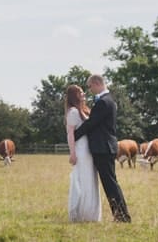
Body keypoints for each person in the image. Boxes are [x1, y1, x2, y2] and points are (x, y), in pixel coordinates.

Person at [73, 74, 132, 222]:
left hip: (103, 148)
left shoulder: (104, 102)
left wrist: (74, 135)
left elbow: (91, 123)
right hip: (105, 147)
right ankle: (121, 215)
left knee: (110, 184)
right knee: (111, 183)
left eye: (90, 86)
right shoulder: (108, 100)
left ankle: (122, 216)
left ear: (97, 83)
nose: (89, 89)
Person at [65, 84, 101, 222]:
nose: (84, 94)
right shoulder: (73, 112)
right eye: (80, 92)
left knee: (91, 178)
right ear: (75, 95)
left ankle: (91, 213)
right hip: (81, 150)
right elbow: (70, 134)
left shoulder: (84, 110)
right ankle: (82, 213)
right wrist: (72, 153)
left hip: (89, 149)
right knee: (83, 179)